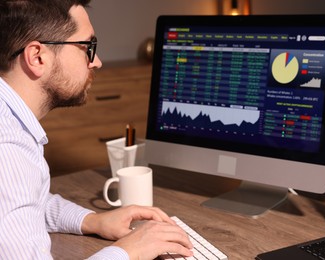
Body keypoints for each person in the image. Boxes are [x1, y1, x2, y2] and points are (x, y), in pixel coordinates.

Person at [0, 0, 193, 259]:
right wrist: (129, 250)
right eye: (88, 47)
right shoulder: (8, 148)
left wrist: (93, 220)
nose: (97, 62)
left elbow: (27, 203)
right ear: (37, 57)